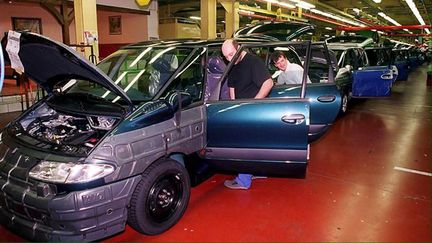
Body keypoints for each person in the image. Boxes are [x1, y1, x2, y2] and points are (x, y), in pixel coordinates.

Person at [221, 39, 274, 190]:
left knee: (243, 145)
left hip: (253, 111)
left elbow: (268, 83)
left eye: (232, 54)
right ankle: (258, 171)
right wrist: (233, 107)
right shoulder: (233, 64)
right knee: (254, 144)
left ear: (239, 48)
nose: (229, 59)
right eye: (226, 57)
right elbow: (232, 87)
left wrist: (254, 103)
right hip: (241, 111)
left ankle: (243, 180)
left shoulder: (253, 62)